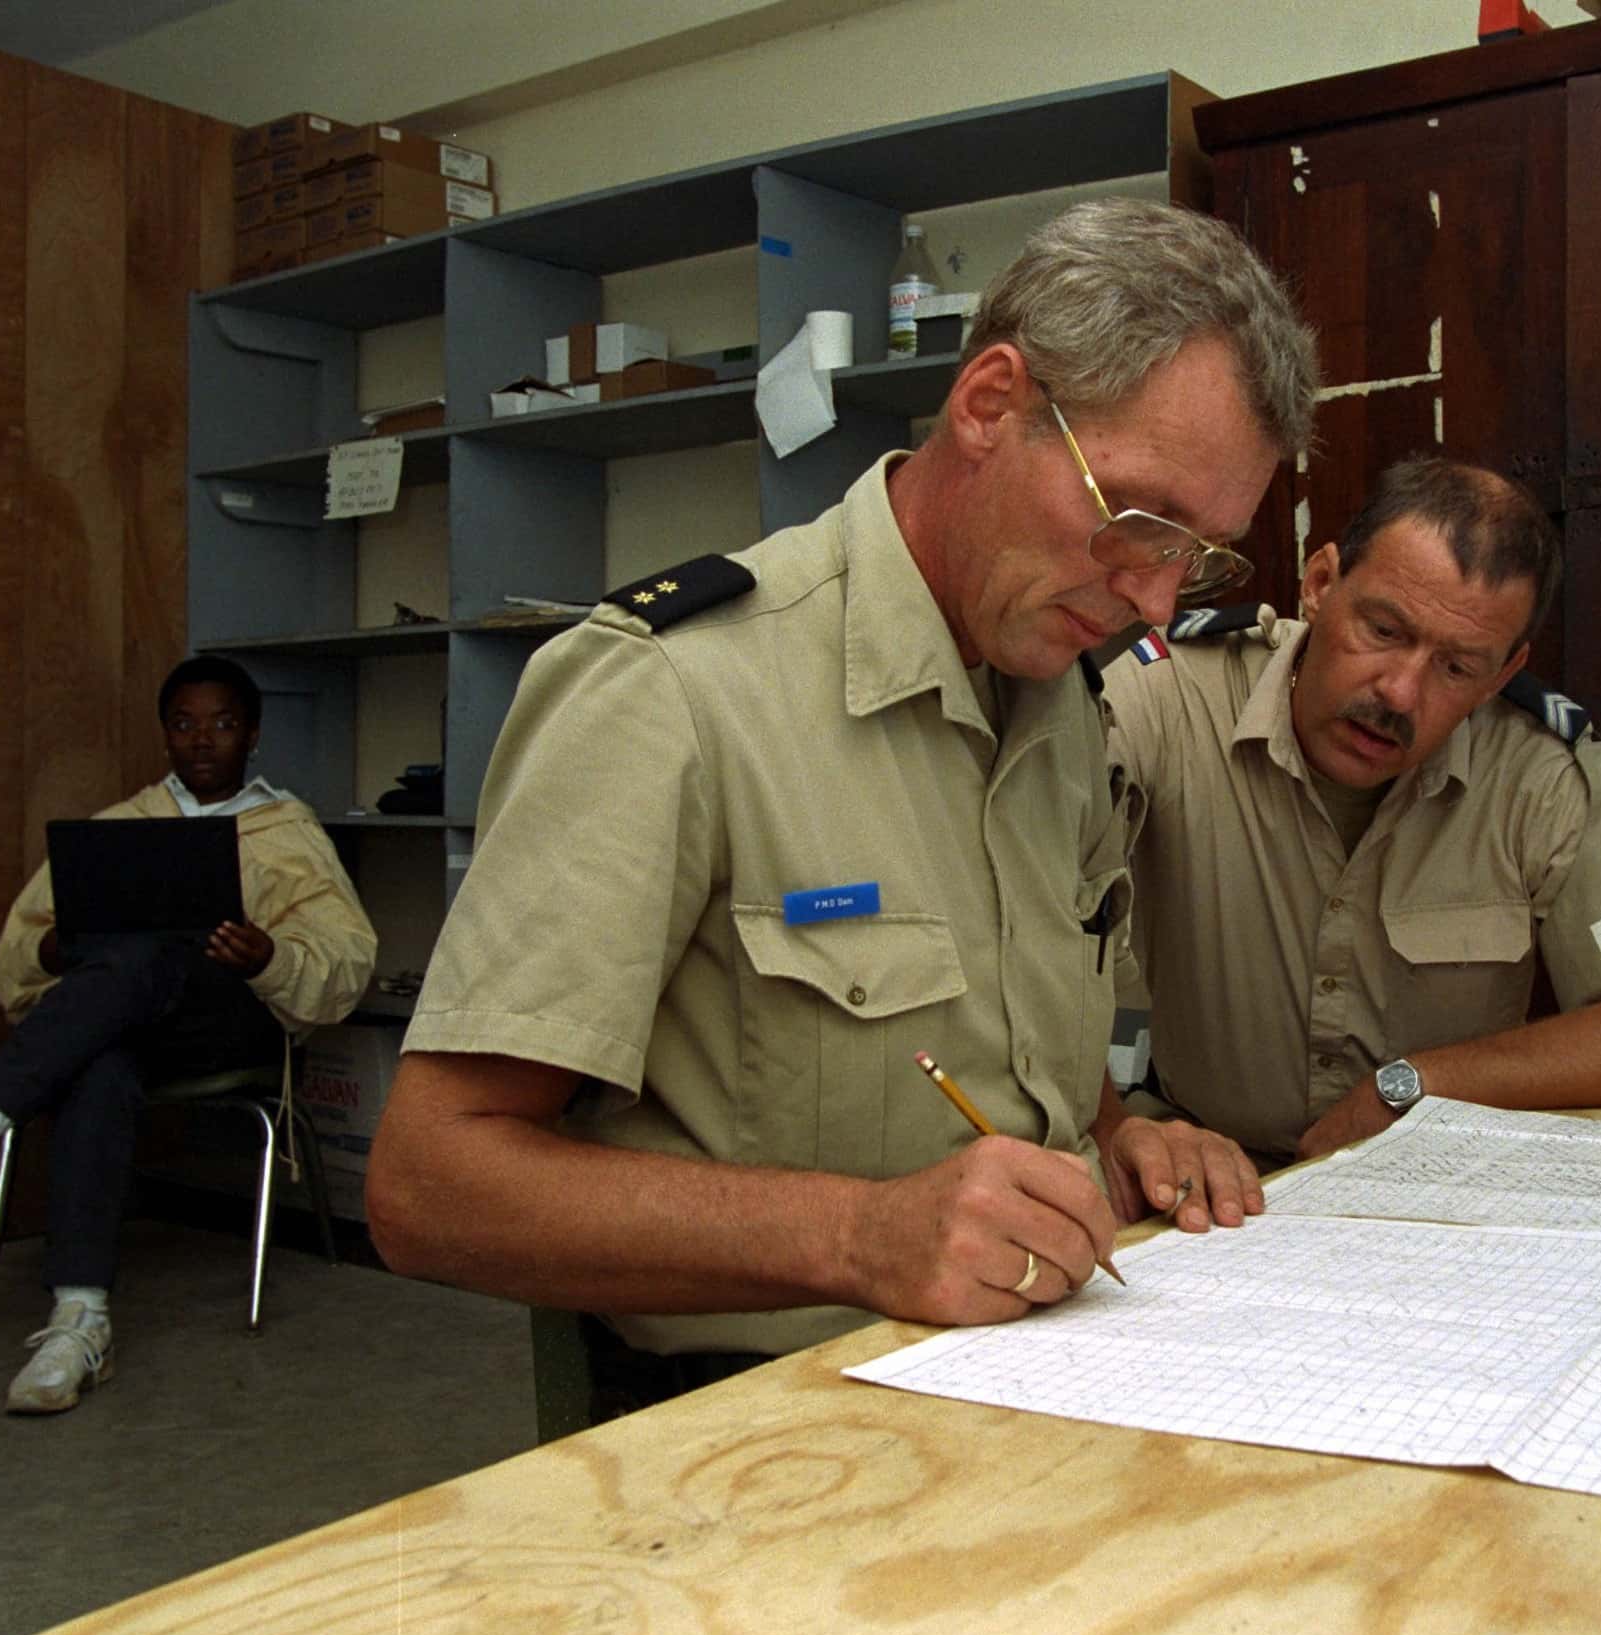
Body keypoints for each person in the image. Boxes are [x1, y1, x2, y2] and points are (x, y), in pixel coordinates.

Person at [367, 198, 1318, 1413]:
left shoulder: (1060, 696)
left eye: (1200, 552)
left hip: (1042, 1373)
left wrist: (1117, 1130)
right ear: (989, 404)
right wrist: (859, 1234)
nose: (1155, 598)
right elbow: (429, 1185)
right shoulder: (673, 689)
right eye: (1136, 520)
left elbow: (1019, 1033)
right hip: (755, 1420)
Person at [1105, 457, 1601, 1166]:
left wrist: (1415, 1086)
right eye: (1384, 630)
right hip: (1202, 1173)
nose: (1401, 694)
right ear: (1320, 584)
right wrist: (1112, 1126)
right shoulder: (1167, 694)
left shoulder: (1536, 766)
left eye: (1457, 667)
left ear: (1503, 674)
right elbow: (1017, 907)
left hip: (1432, 1178)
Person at [0, 655, 376, 1413]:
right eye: (184, 724)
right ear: (164, 734)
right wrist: (56, 948)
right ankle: (79, 1321)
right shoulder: (121, 827)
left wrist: (269, 954)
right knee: (100, 1060)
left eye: (223, 723)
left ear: (253, 734)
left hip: (228, 1025)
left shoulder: (288, 830)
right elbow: (18, 952)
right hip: (123, 1027)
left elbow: (348, 958)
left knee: (143, 960)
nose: (202, 739)